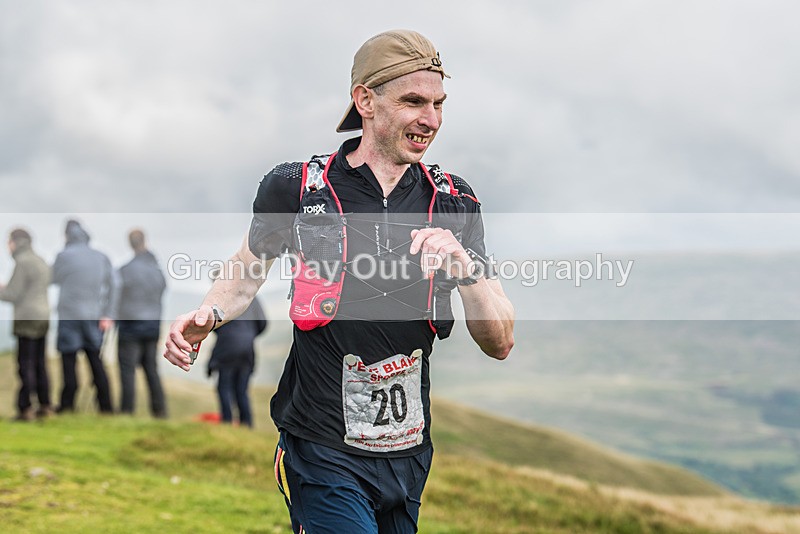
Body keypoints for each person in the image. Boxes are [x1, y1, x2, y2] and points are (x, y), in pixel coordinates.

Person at [164, 29, 515, 533]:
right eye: (413, 101)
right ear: (365, 100)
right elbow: (247, 267)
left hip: (408, 453)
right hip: (320, 445)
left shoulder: (456, 200)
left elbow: (500, 340)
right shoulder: (298, 188)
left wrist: (465, 268)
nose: (431, 120)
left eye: (439, 104)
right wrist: (208, 315)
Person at [52, 219, 115, 414]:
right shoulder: (101, 257)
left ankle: (67, 406)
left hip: (69, 316)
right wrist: (108, 313)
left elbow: (53, 278)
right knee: (95, 361)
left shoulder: (63, 256)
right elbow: (115, 285)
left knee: (69, 362)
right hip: (93, 316)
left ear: (66, 235)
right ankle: (106, 407)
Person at [114, 229, 168, 418]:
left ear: (130, 243)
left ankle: (127, 412)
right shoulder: (157, 271)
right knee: (151, 370)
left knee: (128, 371)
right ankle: (160, 411)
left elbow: (116, 298)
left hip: (130, 327)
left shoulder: (125, 270)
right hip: (152, 326)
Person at [0, 229, 52, 421]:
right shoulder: (40, 260)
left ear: (16, 242)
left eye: (9, 242)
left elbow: (13, 294)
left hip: (27, 318)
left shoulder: (22, 263)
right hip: (43, 315)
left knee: (25, 364)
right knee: (39, 363)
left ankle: (25, 407)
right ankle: (45, 404)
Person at [206, 268, 267, 428]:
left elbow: (213, 326)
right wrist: (248, 335)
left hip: (227, 348)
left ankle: (227, 423)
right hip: (247, 349)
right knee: (242, 390)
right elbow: (263, 323)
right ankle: (247, 425)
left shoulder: (219, 299)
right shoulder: (251, 296)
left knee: (224, 387)